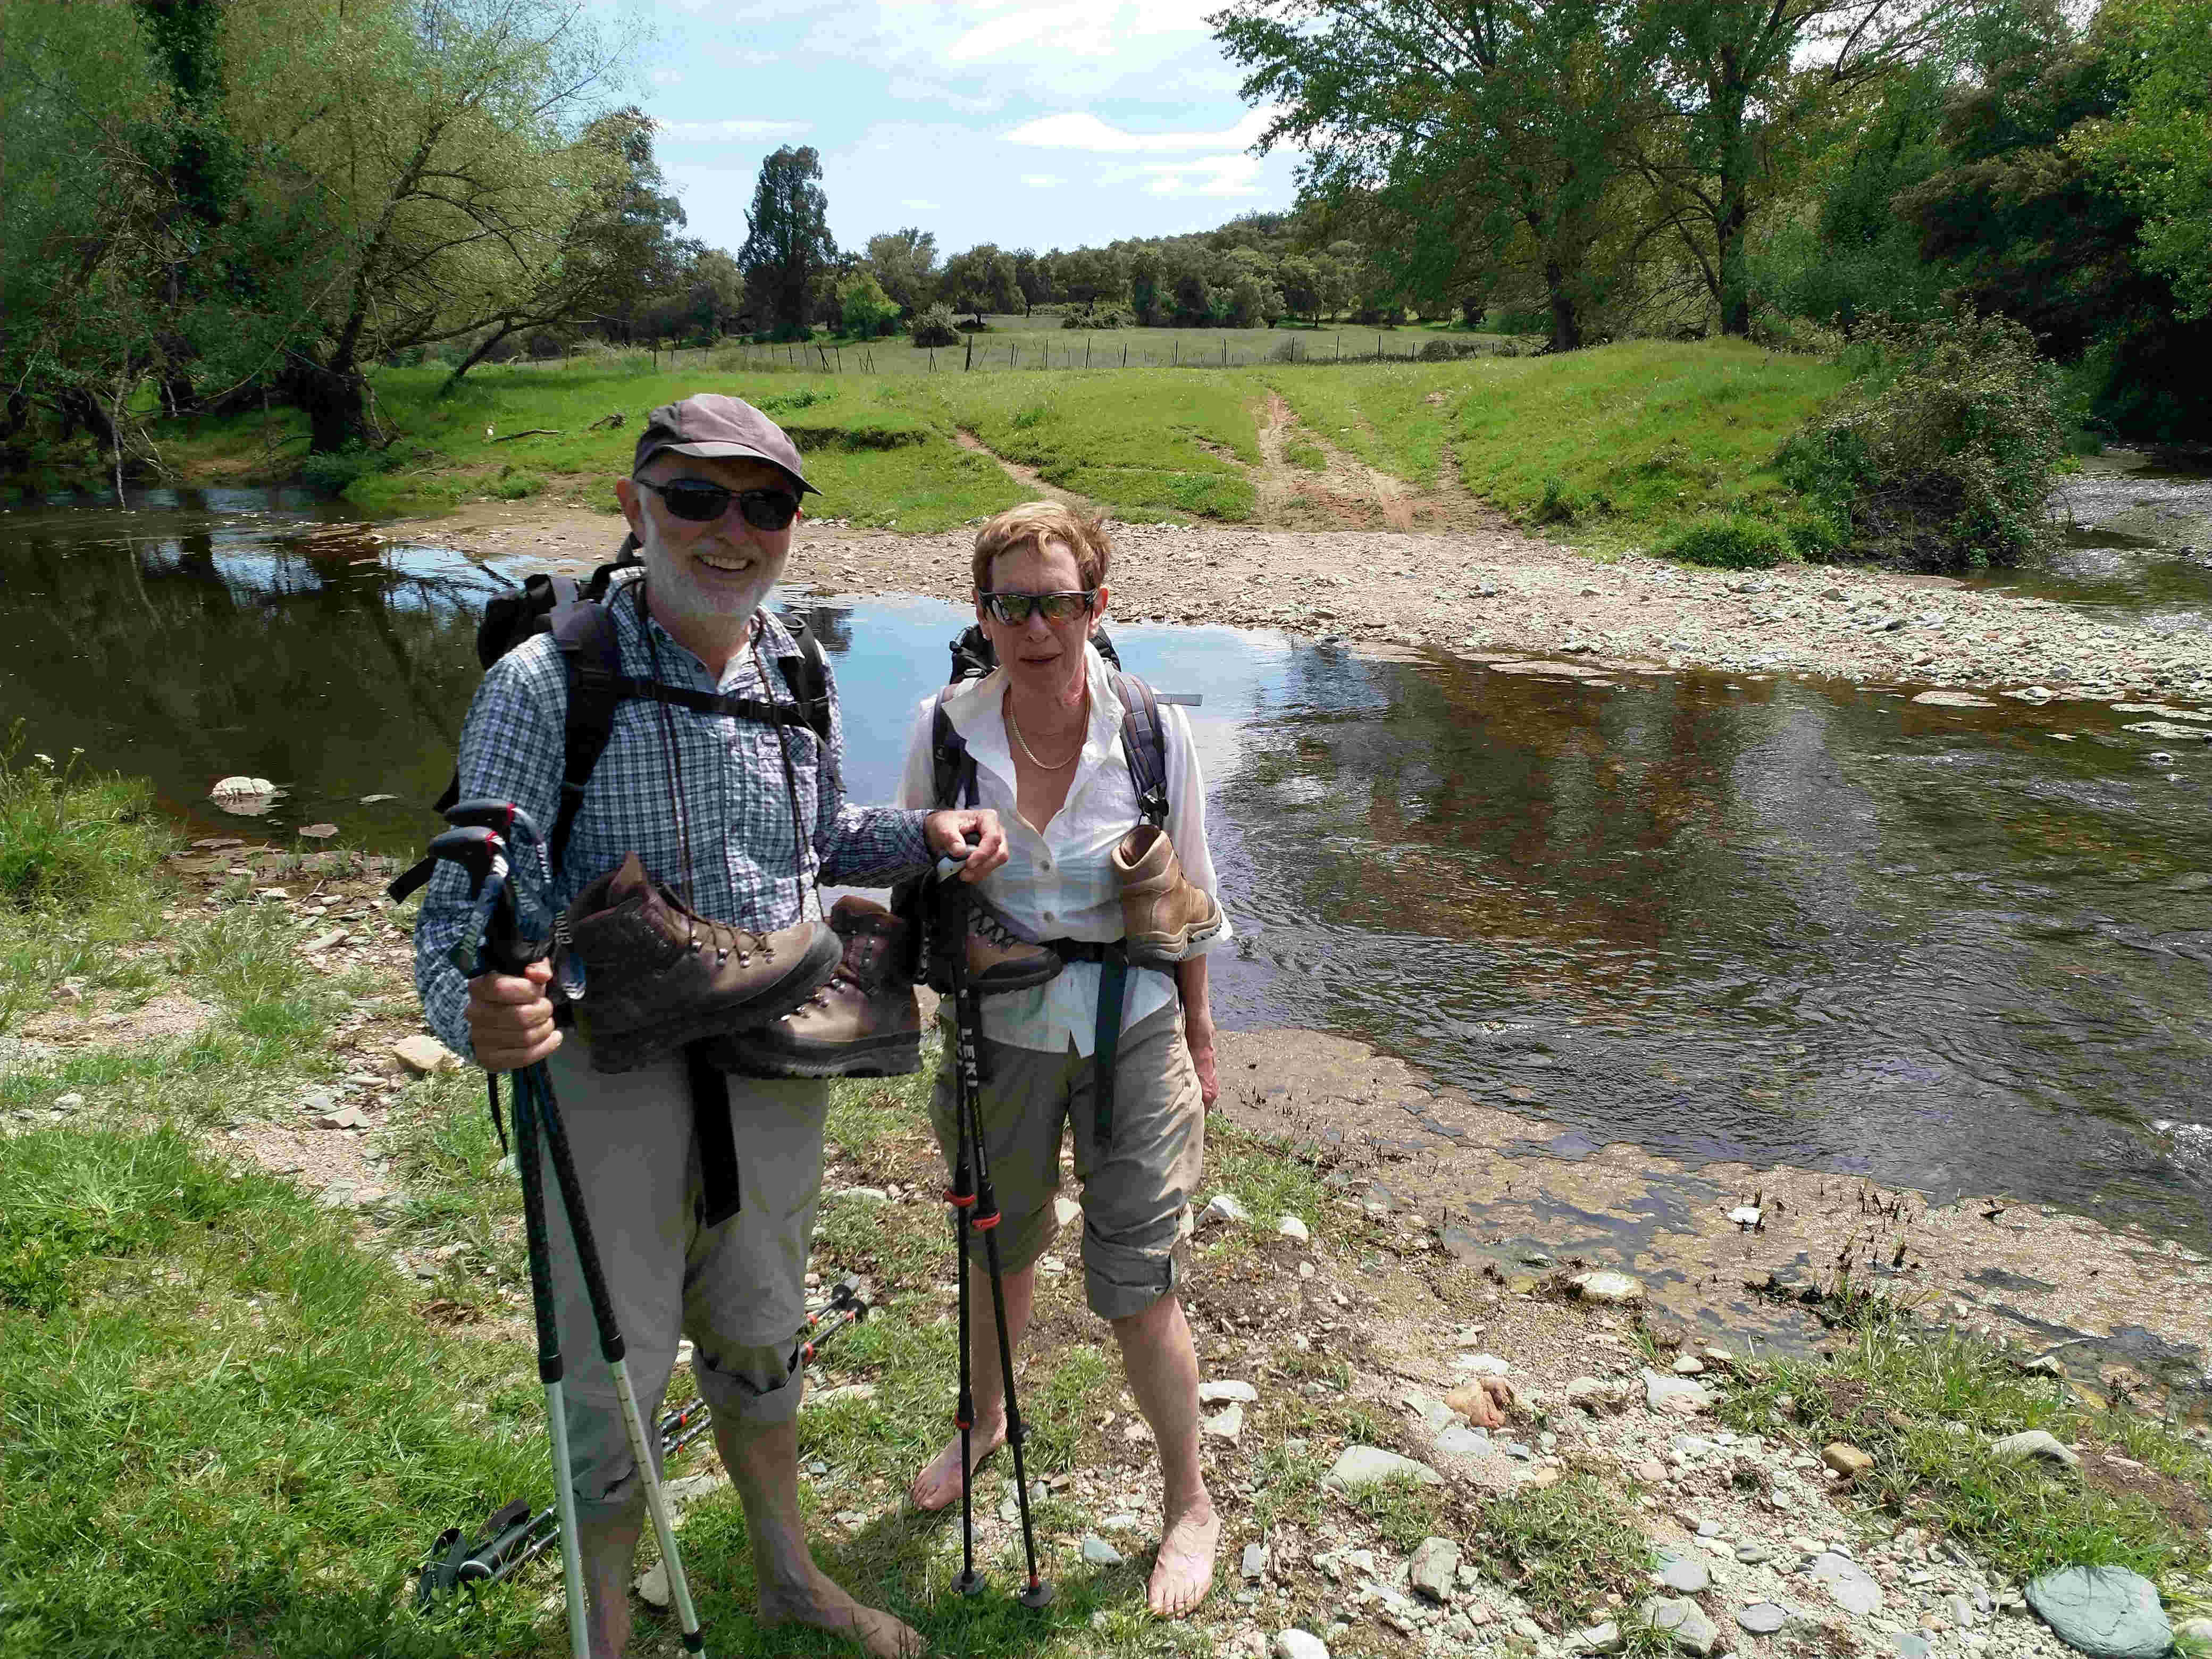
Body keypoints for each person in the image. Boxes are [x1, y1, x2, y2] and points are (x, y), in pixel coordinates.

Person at [413, 393, 1006, 1659]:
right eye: (697, 497)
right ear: (636, 507)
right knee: (614, 1372)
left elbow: (819, 838)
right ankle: (609, 1629)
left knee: (758, 1325)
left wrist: (927, 839)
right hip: (608, 1069)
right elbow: (469, 891)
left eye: (765, 503)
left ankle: (788, 1574)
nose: (731, 530)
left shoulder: (799, 664)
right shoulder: (548, 675)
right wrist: (480, 1009)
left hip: (771, 1057)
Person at [897, 501, 1228, 1618]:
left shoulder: (1153, 730)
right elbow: (903, 879)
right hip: (997, 1038)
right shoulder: (943, 730)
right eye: (1011, 603)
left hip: (1132, 1029)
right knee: (999, 1252)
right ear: (982, 611)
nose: (1036, 625)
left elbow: (1188, 900)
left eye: (1059, 601)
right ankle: (985, 1423)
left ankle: (1189, 1501)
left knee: (1137, 1284)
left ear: (1097, 602)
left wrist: (1200, 1033)